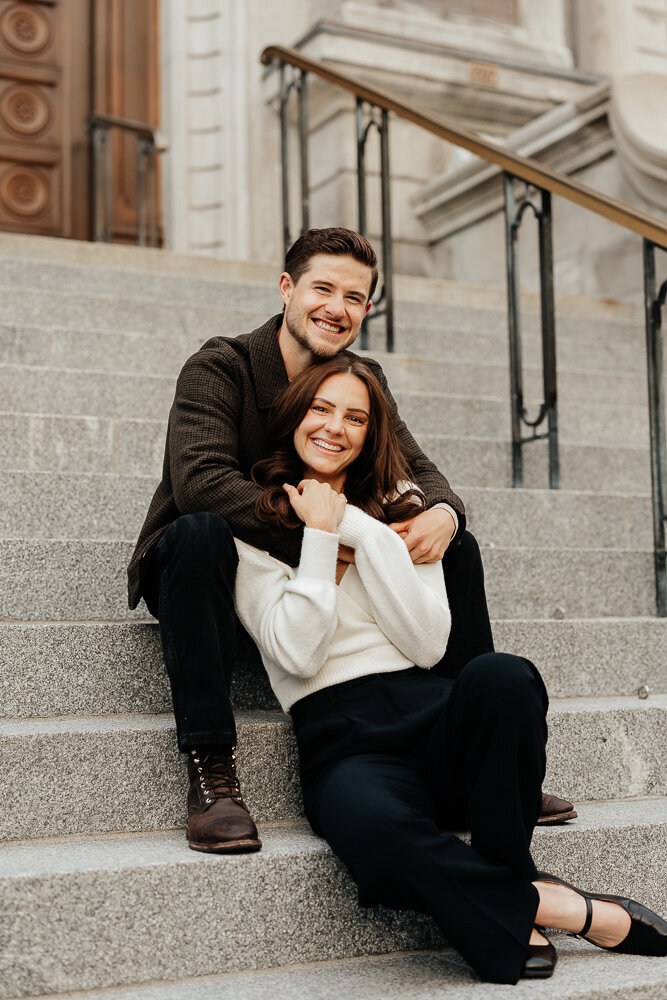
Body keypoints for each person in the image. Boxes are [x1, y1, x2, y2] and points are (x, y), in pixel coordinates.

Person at [127, 226, 573, 853]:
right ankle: (213, 774)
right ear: (287, 288)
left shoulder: (362, 376)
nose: (337, 308)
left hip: (320, 571)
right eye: (323, 288)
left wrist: (446, 509)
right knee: (196, 534)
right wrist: (318, 533)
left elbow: (413, 465)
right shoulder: (218, 367)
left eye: (355, 297)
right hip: (217, 573)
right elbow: (201, 484)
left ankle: (483, 748)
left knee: (455, 544)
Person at [232, 355, 667, 985]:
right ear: (293, 417)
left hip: (430, 713)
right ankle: (558, 905)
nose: (335, 427)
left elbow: (429, 643)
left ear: (371, 434)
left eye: (355, 417)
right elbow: (296, 654)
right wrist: (320, 538)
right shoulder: (252, 527)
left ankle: (505, 878)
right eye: (320, 409)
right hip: (344, 741)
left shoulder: (404, 515)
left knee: (503, 676)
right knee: (372, 836)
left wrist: (364, 530)